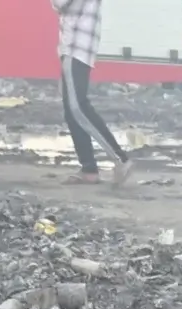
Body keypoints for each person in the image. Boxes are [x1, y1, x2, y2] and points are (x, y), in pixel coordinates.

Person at [52, 0, 133, 185]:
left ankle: (121, 159)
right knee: (71, 108)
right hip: (77, 45)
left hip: (76, 46)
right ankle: (89, 170)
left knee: (77, 107)